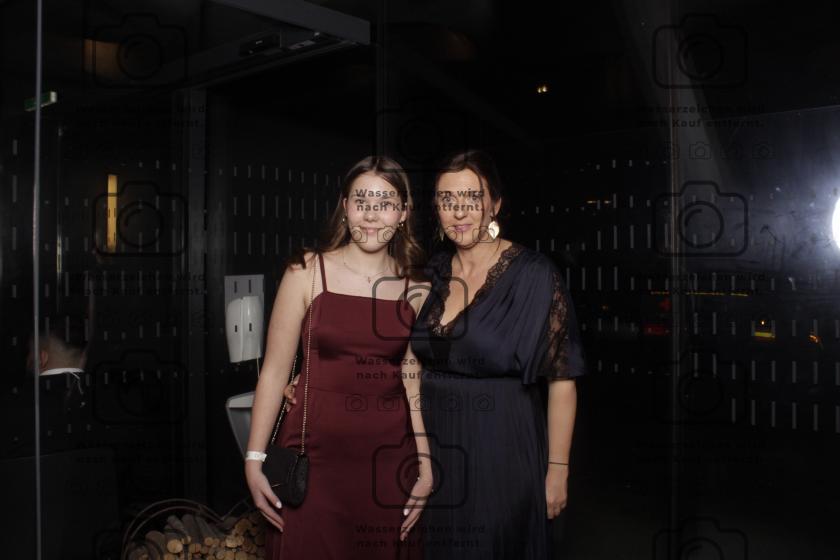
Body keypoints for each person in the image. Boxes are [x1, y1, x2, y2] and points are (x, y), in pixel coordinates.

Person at [244, 156, 434, 559]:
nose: (371, 215)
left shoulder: (417, 287)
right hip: (312, 461)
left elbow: (411, 377)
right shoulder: (306, 271)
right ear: (344, 206)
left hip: (387, 463)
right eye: (361, 201)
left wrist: (425, 462)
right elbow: (275, 371)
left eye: (385, 203)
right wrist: (254, 458)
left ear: (403, 212)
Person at [409, 149, 587, 559]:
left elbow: (562, 379)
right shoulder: (430, 272)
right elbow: (393, 351)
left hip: (501, 445)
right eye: (447, 200)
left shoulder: (534, 274)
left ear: (495, 204)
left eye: (471, 198)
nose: (459, 211)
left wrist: (558, 470)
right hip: (431, 448)